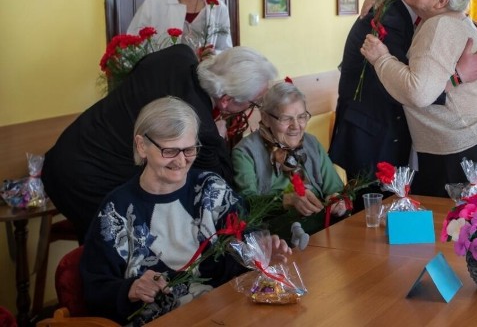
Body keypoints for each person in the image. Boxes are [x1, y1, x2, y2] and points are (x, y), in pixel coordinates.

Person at [81, 97, 291, 325]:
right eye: (170, 151)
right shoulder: (117, 211)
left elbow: (244, 242)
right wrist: (130, 288)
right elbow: (94, 289)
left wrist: (261, 254)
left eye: (189, 149)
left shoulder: (212, 189)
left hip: (224, 314)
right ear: (142, 146)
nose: (181, 161)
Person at [43, 45, 278, 242]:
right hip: (87, 179)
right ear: (226, 101)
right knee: (116, 250)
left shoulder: (180, 54)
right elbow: (221, 184)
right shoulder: (199, 127)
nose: (251, 109)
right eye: (254, 103)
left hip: (65, 150)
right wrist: (218, 136)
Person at [329, 0, 477, 184]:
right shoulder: (386, 19)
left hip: (394, 133)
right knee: (373, 217)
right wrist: (458, 77)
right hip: (374, 138)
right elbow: (410, 88)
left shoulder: (425, 15)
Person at [361, 0, 477, 197]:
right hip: (471, 139)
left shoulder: (439, 26)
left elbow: (419, 92)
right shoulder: (453, 20)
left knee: (455, 227)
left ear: (441, 1)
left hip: (460, 145)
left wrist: (381, 59)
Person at [233, 81, 346, 234]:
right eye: (286, 119)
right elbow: (246, 204)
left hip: (321, 227)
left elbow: (335, 188)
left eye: (302, 117)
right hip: (276, 235)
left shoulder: (311, 143)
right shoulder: (245, 152)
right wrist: (287, 200)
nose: (296, 126)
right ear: (265, 118)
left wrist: (336, 199)